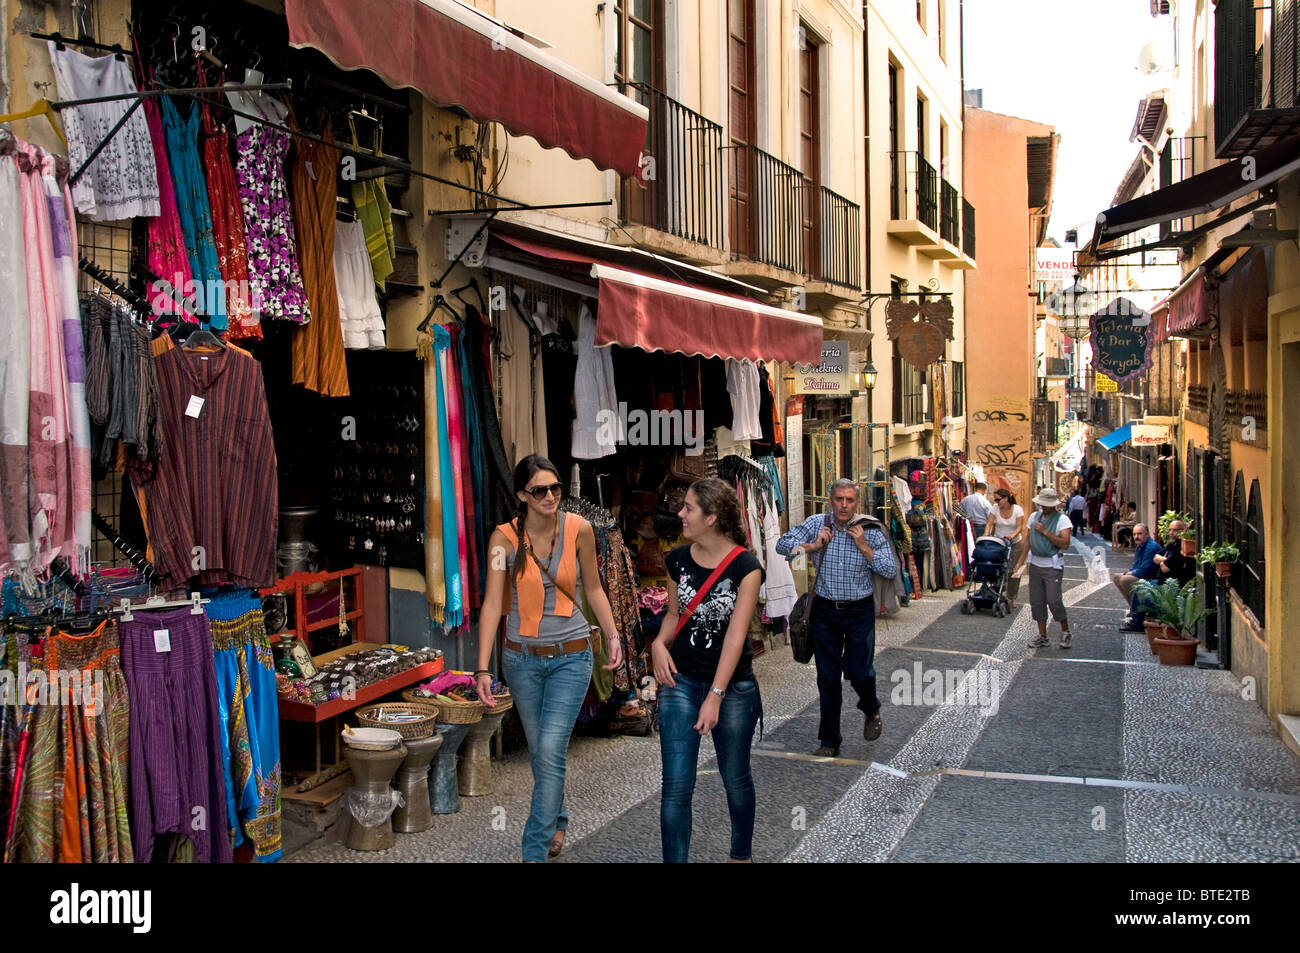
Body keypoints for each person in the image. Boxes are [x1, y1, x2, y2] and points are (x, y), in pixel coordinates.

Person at [475, 454, 624, 863]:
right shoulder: (502, 540)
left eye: (555, 488)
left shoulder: (581, 530)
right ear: (522, 495)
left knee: (552, 748)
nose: (550, 496)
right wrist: (483, 667)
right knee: (543, 751)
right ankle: (558, 817)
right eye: (539, 490)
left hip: (572, 656)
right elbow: (492, 605)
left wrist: (612, 635)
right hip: (521, 659)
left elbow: (593, 589)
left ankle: (533, 851)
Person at [650, 478, 763, 863]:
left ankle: (740, 856)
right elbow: (673, 614)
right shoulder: (677, 559)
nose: (680, 513)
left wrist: (715, 696)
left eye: (689, 508)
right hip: (679, 680)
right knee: (676, 788)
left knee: (735, 779)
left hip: (733, 689)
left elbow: (736, 636)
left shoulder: (747, 568)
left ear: (712, 518)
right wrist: (657, 645)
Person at [776, 478, 898, 758]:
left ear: (857, 503)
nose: (844, 505)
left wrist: (864, 546)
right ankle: (830, 740)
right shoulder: (818, 523)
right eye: (839, 499)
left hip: (859, 611)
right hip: (825, 611)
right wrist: (812, 545)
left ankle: (871, 707)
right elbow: (783, 546)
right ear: (830, 501)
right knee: (827, 677)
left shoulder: (870, 529)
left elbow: (889, 569)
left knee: (859, 671)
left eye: (849, 500)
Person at [1124, 520, 1196, 631]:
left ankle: (1137, 623)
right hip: (1160, 581)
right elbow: (1156, 557)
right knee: (1139, 586)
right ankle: (1137, 618)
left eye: (1175, 530)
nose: (1171, 533)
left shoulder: (1181, 548)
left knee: (1140, 589)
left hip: (1170, 587)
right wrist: (1165, 560)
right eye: (1170, 530)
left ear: (1183, 531)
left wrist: (1162, 561)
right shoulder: (1172, 544)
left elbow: (1164, 568)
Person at [1026, 488, 1074, 649]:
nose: (1043, 507)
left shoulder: (1063, 520)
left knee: (1054, 600)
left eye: (1046, 504)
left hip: (1052, 565)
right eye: (1042, 504)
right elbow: (1027, 540)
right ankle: (1042, 636)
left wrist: (1045, 532)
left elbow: (1065, 544)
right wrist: (1020, 563)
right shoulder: (1033, 517)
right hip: (1035, 564)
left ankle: (1065, 631)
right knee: (1037, 601)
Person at [1112, 523, 1161, 630]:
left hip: (1151, 578)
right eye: (1134, 534)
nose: (1136, 537)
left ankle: (1138, 612)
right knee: (1117, 577)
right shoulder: (1140, 546)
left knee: (1125, 580)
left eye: (1139, 534)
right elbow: (1136, 565)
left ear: (1147, 534)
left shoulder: (1151, 547)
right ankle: (1134, 608)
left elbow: (1145, 571)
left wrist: (1130, 573)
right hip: (1142, 575)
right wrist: (1130, 571)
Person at [985, 489, 1026, 603]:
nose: (996, 502)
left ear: (1006, 498)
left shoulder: (1017, 509)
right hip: (999, 542)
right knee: (998, 566)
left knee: (1014, 569)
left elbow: (1019, 527)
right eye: (995, 499)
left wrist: (1012, 535)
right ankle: (998, 591)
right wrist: (986, 535)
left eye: (998, 499)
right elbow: (989, 523)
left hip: (1015, 542)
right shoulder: (995, 508)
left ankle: (1012, 597)